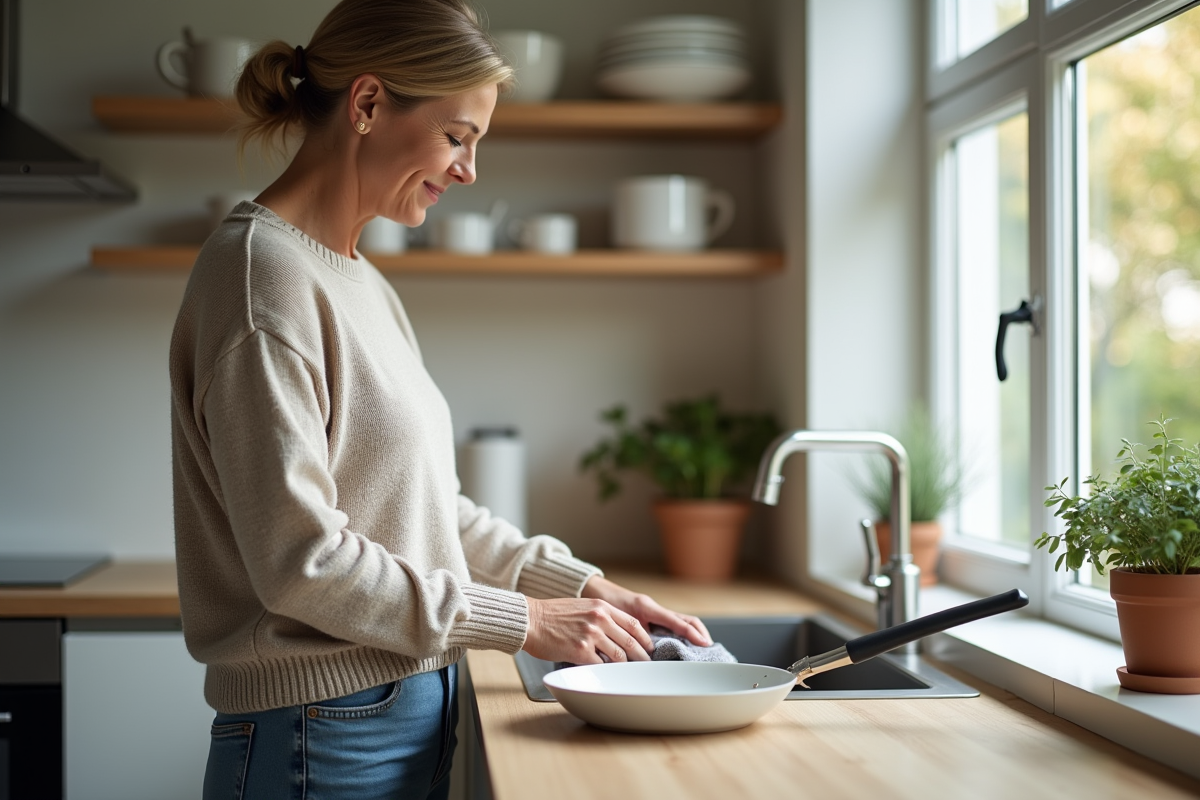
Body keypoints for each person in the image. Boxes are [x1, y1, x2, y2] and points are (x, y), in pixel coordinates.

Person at [168, 1, 712, 798]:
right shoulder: (262, 282)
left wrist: (577, 586)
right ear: (366, 104)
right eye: (458, 136)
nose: (469, 170)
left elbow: (428, 509)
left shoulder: (359, 280)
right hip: (318, 732)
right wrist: (525, 624)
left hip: (393, 712)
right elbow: (300, 564)